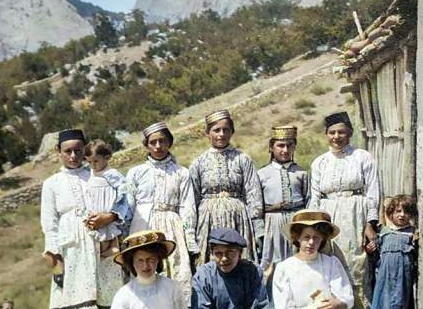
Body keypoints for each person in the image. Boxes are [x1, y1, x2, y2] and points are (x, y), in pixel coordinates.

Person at [40, 129, 129, 309]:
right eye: (67, 151)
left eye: (78, 151)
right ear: (58, 152)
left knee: (106, 298)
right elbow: (49, 225)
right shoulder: (52, 183)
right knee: (78, 304)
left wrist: (110, 216)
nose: (73, 156)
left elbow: (125, 196)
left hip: (101, 245)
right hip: (72, 251)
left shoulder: (97, 173)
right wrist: (56, 261)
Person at [308, 112, 380, 309]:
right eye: (332, 132)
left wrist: (369, 224)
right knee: (327, 266)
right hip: (327, 216)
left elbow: (372, 192)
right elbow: (315, 196)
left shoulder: (362, 157)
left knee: (356, 266)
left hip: (355, 214)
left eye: (341, 132)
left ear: (350, 133)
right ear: (326, 134)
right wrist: (312, 226)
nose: (336, 137)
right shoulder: (319, 162)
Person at [126, 122, 197, 294]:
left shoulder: (181, 173)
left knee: (176, 273)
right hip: (143, 226)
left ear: (169, 142)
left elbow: (188, 207)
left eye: (162, 141)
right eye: (153, 142)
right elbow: (128, 207)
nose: (158, 146)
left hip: (172, 228)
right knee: (145, 271)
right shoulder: (136, 172)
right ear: (146, 145)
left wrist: (189, 238)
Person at [272, 211, 358, 309]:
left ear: (323, 240)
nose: (311, 242)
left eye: (317, 238)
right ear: (297, 237)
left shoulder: (331, 263)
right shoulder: (284, 267)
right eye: (306, 237)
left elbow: (346, 297)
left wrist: (337, 304)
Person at [101, 230, 201, 309]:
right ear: (132, 262)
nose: (146, 266)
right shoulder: (125, 294)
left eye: (150, 259)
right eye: (140, 260)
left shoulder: (172, 288)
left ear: (158, 260)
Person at [189, 110, 264, 264]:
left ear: (232, 132)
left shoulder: (243, 159)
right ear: (208, 133)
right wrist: (191, 232)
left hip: (238, 218)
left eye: (226, 130)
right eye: (216, 130)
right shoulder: (198, 162)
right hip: (208, 219)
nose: (221, 134)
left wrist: (258, 228)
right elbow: (192, 199)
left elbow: (253, 193)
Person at [190, 228, 285, 309]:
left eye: (230, 252)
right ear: (212, 254)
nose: (224, 259)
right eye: (218, 253)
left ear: (239, 253)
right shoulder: (203, 275)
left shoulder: (252, 272)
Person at [258, 126, 310, 273]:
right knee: (273, 265)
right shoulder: (262, 174)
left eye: (289, 145)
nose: (285, 150)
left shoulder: (301, 173)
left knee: (299, 264)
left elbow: (309, 199)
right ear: (271, 147)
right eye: (280, 146)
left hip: (296, 223)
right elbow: (256, 205)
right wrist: (260, 231)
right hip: (272, 223)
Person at [369, 195, 418, 309]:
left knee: (398, 298)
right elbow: (376, 250)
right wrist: (370, 248)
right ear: (391, 213)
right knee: (382, 298)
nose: (402, 215)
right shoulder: (384, 232)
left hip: (403, 274)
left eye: (406, 212)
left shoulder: (411, 232)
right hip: (385, 275)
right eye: (398, 211)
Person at [84, 139, 130, 259]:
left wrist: (115, 207)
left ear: (107, 157)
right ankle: (110, 249)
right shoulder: (92, 173)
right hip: (95, 210)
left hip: (107, 208)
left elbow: (123, 188)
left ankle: (113, 248)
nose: (93, 165)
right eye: (89, 162)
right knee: (100, 235)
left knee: (109, 231)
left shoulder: (111, 173)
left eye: (96, 161)